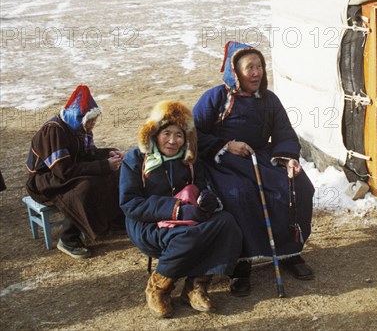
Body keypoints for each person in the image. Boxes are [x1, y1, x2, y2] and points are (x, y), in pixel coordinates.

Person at [193, 41, 315, 297]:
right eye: (250, 67)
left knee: (298, 187)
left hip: (262, 158)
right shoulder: (215, 98)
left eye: (259, 66)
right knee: (239, 195)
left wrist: (289, 158)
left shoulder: (269, 99)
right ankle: (241, 264)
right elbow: (193, 134)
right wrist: (226, 145)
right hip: (224, 162)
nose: (256, 72)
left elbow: (284, 132)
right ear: (235, 72)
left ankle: (289, 252)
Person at [120, 100, 242, 318]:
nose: (173, 141)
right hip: (147, 223)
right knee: (188, 236)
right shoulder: (136, 160)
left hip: (187, 219)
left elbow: (203, 187)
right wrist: (176, 209)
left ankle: (196, 285)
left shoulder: (190, 160)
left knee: (226, 223)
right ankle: (158, 287)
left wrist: (207, 199)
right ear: (154, 132)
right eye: (167, 133)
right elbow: (130, 203)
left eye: (179, 135)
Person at [26, 85, 124, 259]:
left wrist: (107, 154)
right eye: (90, 120)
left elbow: (87, 155)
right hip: (44, 181)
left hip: (63, 173)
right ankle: (68, 238)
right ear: (77, 116)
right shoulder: (54, 131)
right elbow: (64, 170)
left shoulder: (79, 129)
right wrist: (103, 165)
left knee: (112, 174)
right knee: (85, 188)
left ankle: (111, 220)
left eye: (94, 120)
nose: (92, 124)